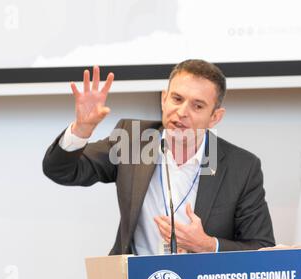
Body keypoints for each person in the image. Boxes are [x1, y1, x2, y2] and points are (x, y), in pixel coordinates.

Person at [42, 59, 275, 255]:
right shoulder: (133, 140)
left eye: (197, 106)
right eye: (177, 99)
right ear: (164, 99)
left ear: (215, 117)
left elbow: (262, 247)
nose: (182, 112)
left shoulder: (241, 167)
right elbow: (61, 171)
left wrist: (208, 245)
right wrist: (82, 129)